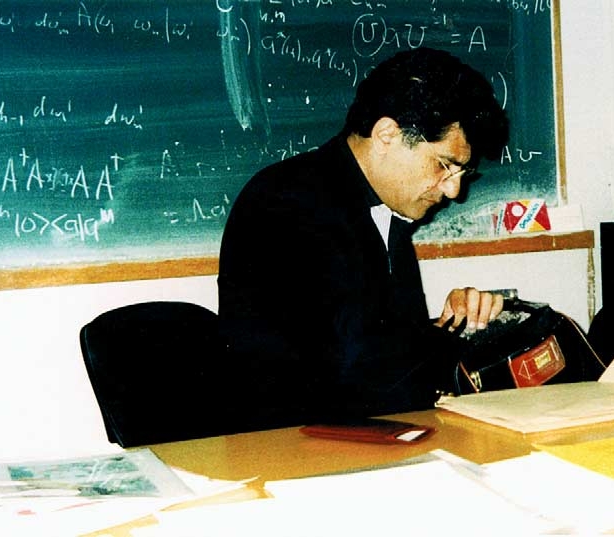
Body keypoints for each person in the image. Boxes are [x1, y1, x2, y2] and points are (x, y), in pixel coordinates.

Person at [217, 47, 509, 429]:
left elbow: (384, 345)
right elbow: (353, 372)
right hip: (295, 450)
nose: (453, 191)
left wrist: (453, 321)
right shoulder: (287, 205)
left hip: (364, 437)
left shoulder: (387, 209)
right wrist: (444, 340)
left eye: (462, 174)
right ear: (387, 134)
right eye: (444, 165)